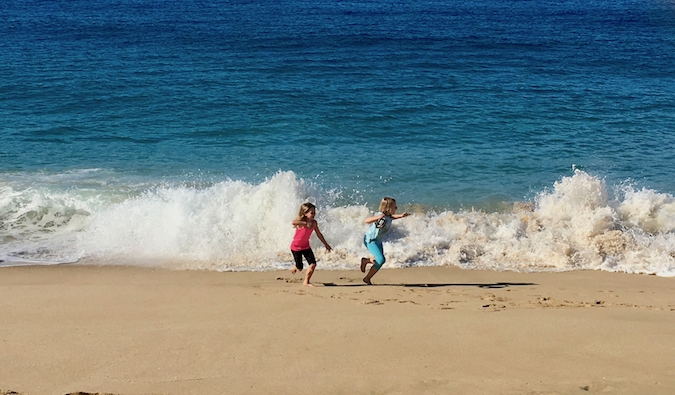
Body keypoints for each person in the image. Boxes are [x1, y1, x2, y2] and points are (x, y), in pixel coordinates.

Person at [360, 197, 410, 285]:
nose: (396, 208)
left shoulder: (388, 216)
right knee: (381, 259)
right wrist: (377, 218)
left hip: (378, 241)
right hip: (370, 240)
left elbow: (392, 217)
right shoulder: (381, 216)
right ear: (388, 208)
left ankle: (366, 269)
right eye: (395, 207)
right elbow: (366, 221)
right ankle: (367, 274)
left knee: (380, 261)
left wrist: (401, 216)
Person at [290, 202, 332, 287]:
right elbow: (293, 222)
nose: (314, 214)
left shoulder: (314, 223)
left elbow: (319, 234)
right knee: (300, 268)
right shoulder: (301, 222)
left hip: (306, 247)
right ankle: (296, 266)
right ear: (305, 213)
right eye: (311, 213)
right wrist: (304, 223)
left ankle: (306, 282)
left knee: (313, 264)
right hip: (296, 247)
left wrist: (326, 244)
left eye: (314, 212)